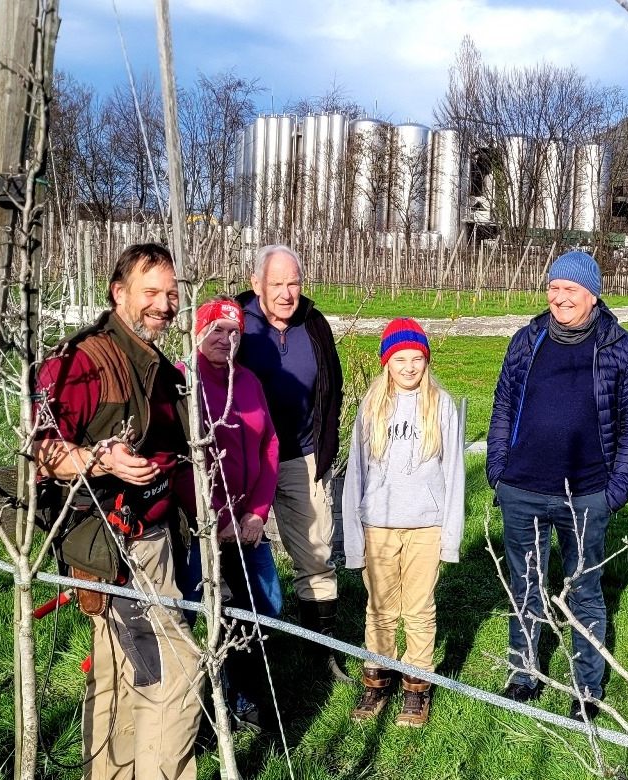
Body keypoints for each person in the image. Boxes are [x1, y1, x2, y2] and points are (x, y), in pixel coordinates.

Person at [33, 243, 203, 779]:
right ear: (119, 292)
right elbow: (42, 449)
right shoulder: (84, 360)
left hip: (151, 539)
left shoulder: (156, 365)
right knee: (178, 672)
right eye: (151, 291)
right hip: (113, 545)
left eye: (172, 293)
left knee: (121, 674)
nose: (164, 303)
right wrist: (100, 459)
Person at [486, 250, 628, 721]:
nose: (560, 298)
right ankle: (524, 674)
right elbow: (503, 406)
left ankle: (587, 687)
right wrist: (498, 472)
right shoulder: (527, 339)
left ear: (592, 295)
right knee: (526, 585)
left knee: (583, 589)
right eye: (554, 288)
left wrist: (615, 490)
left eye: (571, 290)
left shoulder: (620, 347)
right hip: (522, 487)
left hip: (586, 493)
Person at [342, 318, 465, 727]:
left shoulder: (440, 404)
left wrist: (450, 536)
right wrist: (354, 540)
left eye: (417, 359)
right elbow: (356, 474)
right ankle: (377, 679)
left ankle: (417, 686)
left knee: (418, 608)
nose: (409, 367)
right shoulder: (373, 405)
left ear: (426, 361)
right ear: (386, 362)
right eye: (400, 359)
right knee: (379, 607)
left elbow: (454, 474)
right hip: (378, 524)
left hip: (425, 526)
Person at [236, 244, 349, 681]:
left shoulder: (313, 323)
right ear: (256, 283)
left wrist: (326, 442)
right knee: (236, 556)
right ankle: (244, 655)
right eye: (277, 283)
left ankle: (320, 650)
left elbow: (332, 386)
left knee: (317, 555)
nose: (286, 293)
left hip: (302, 457)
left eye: (294, 283)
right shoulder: (237, 325)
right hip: (245, 465)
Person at [174, 296, 282, 731]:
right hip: (204, 525)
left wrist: (257, 513)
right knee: (205, 613)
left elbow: (269, 446)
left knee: (268, 606)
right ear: (198, 332)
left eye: (233, 331)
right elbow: (180, 459)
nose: (225, 339)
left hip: (249, 524)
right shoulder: (185, 382)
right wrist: (214, 516)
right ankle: (214, 702)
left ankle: (246, 688)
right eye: (216, 329)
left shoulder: (250, 382)